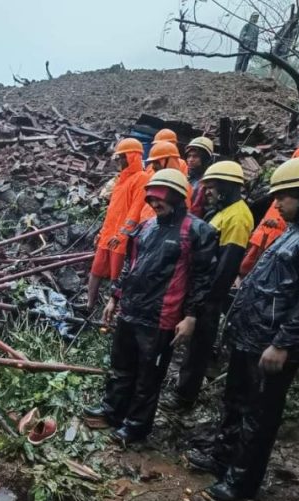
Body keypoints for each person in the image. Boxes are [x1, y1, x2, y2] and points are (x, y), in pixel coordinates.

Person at [197, 157, 299, 501]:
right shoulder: (294, 232)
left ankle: (241, 484)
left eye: (284, 197)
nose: (275, 203)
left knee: (259, 416)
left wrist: (282, 343)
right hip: (251, 335)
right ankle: (222, 460)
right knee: (234, 402)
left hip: (272, 344)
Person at [83, 169, 217, 445]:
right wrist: (114, 297)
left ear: (179, 198)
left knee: (148, 376)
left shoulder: (196, 231)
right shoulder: (145, 228)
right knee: (121, 366)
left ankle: (136, 426)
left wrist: (191, 315)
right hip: (131, 309)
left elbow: (203, 279)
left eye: (161, 199)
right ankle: (112, 411)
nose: (155, 204)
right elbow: (130, 268)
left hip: (161, 317)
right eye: (152, 199)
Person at [163, 162, 254, 412]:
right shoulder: (224, 211)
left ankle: (184, 397)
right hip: (199, 288)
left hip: (209, 294)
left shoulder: (238, 217)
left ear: (228, 186)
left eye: (212, 187)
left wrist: (205, 300)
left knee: (199, 346)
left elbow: (227, 264)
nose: (208, 192)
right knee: (190, 344)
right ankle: (182, 387)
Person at [240, 142, 299, 276]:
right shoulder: (288, 183)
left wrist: (281, 226)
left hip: (281, 236)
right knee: (250, 267)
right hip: (267, 233)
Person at [86, 138, 149, 310]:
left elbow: (135, 211)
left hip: (121, 238)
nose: (118, 161)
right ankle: (89, 305)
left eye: (122, 157)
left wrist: (122, 235)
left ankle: (113, 311)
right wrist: (102, 232)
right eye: (118, 158)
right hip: (108, 234)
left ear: (132, 157)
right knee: (96, 269)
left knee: (117, 275)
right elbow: (112, 212)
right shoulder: (121, 179)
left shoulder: (141, 178)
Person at [139, 141, 192, 222]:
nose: (153, 167)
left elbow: (178, 220)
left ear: (169, 162)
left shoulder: (181, 186)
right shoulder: (155, 183)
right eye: (152, 163)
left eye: (157, 162)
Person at [185, 137, 215, 217]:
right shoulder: (188, 178)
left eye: (195, 156)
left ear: (205, 159)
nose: (190, 160)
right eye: (189, 156)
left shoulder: (209, 184)